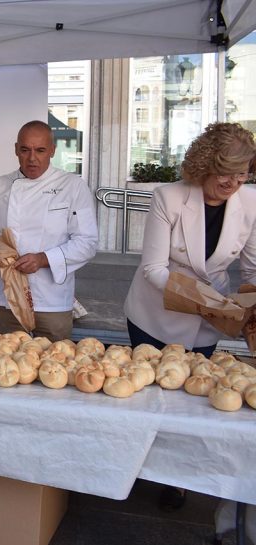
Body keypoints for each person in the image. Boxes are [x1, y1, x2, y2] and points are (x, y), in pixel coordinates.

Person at [123, 123, 256, 510]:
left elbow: (250, 271)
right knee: (148, 397)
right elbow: (153, 269)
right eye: (225, 172)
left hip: (206, 325)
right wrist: (207, 301)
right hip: (154, 314)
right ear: (203, 166)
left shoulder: (250, 203)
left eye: (243, 171)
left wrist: (248, 306)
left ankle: (178, 478)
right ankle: (138, 466)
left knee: (192, 400)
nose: (233, 182)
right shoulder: (170, 196)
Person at [0, 120, 98, 341]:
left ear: (52, 151)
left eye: (40, 150)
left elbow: (87, 242)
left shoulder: (73, 186)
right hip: (6, 299)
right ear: (16, 149)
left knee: (53, 367)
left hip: (51, 301)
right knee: (4, 365)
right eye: (25, 150)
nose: (32, 158)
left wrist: (43, 259)